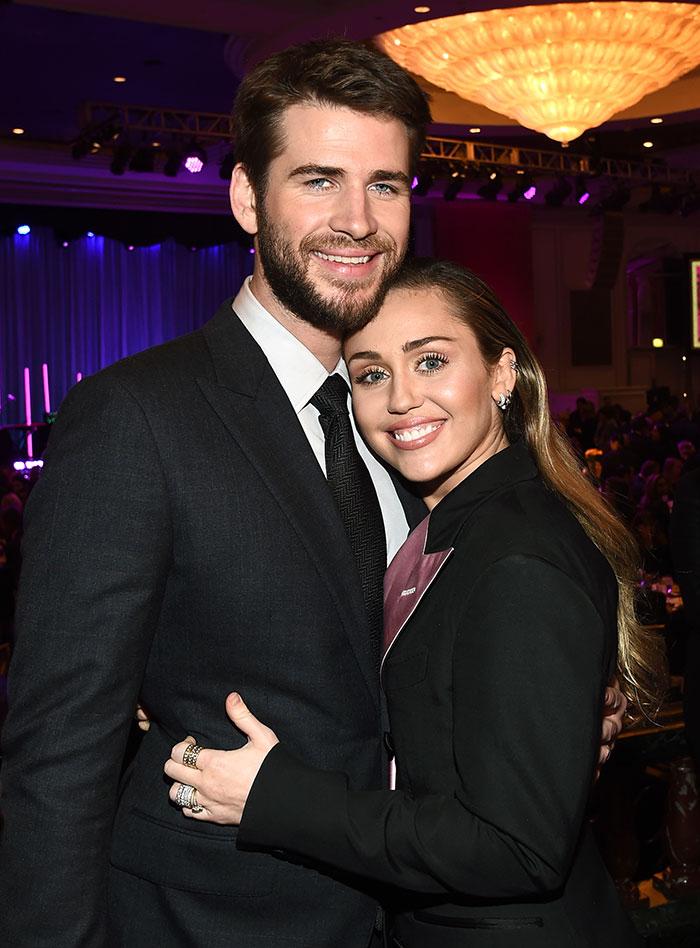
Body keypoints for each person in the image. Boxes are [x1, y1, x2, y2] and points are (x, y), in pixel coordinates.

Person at [0, 40, 624, 948]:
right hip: (218, 918)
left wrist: (552, 725)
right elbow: (61, 745)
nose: (358, 220)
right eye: (320, 180)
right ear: (249, 197)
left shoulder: (411, 430)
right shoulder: (135, 417)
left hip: (416, 913)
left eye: (386, 184)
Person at [163, 260, 666, 947]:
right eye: (371, 374)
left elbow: (514, 848)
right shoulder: (440, 522)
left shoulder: (517, 555)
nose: (401, 398)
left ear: (501, 373)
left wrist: (275, 800)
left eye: (430, 361)